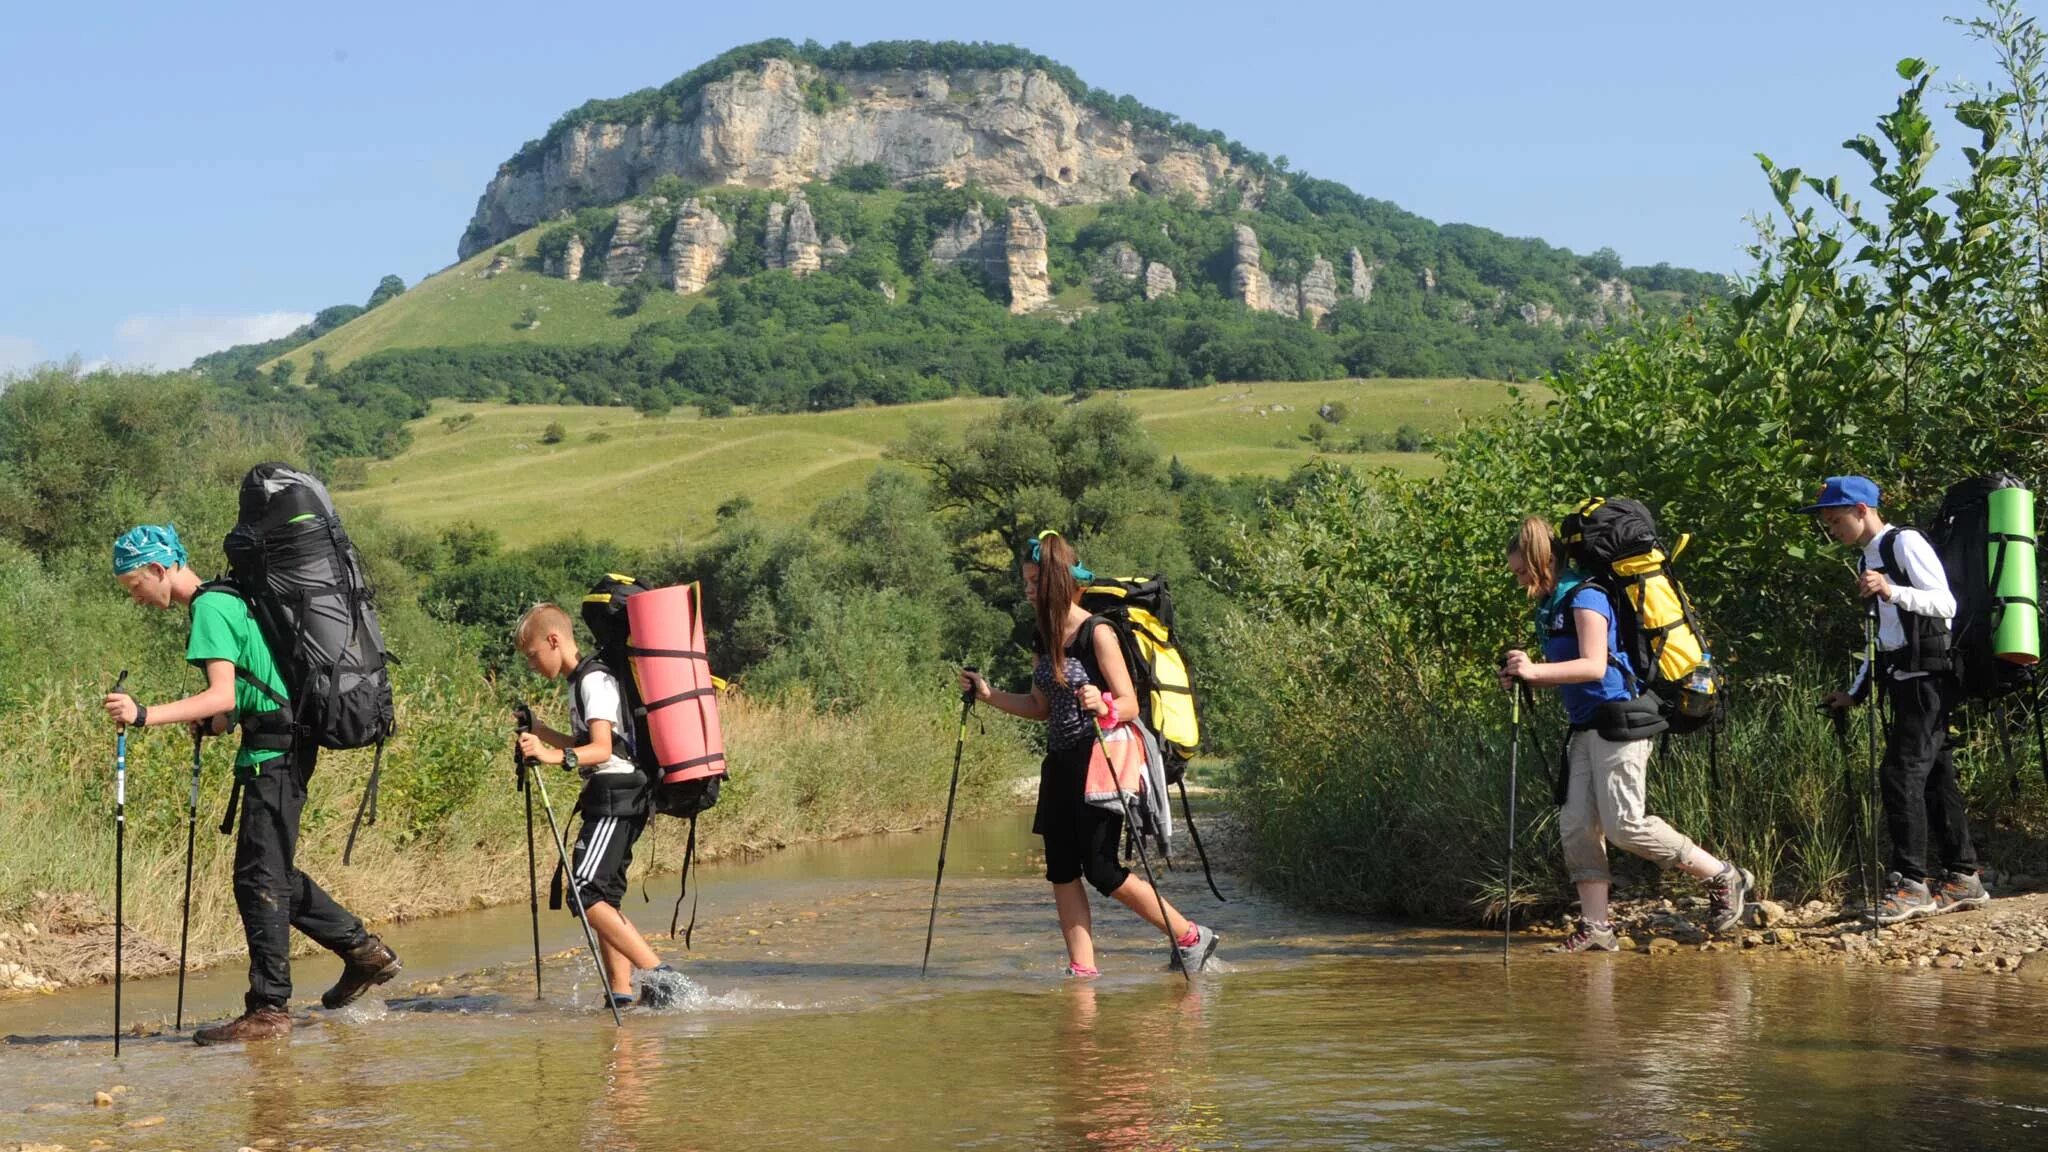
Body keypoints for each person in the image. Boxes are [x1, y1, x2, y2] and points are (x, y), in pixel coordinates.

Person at [103, 524, 400, 1045]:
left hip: (275, 756)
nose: (137, 599)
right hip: (281, 747)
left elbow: (219, 694)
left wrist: (144, 713)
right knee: (271, 873)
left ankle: (269, 1009)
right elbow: (245, 692)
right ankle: (363, 953)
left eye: (134, 587)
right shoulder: (230, 598)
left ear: (157, 568)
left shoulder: (210, 609)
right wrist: (217, 724)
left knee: (259, 879)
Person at [959, 531, 1218, 977]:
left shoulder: (1097, 633)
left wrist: (1105, 704)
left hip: (1101, 762)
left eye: (1035, 580)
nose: (1027, 588)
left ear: (1058, 581)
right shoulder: (1042, 638)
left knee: (1101, 870)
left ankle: (1192, 936)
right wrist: (987, 695)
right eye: (1025, 580)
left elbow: (1130, 703)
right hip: (1059, 764)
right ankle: (1083, 971)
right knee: (1061, 870)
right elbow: (1040, 707)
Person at [1500, 517, 1752, 952]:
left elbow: (1595, 665)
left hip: (1622, 721)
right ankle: (1596, 928)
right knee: (1577, 825)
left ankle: (1722, 875)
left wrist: (1537, 670)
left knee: (1625, 825)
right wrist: (1524, 676)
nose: (1519, 580)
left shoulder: (1586, 596)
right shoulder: (1554, 603)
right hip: (1584, 726)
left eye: (1521, 571)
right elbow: (1569, 673)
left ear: (1542, 560)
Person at [1806, 475, 1987, 923]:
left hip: (1928, 678)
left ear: (1862, 510)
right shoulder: (1871, 555)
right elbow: (1883, 636)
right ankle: (1963, 878)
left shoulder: (1903, 543)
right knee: (1934, 775)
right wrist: (1855, 691)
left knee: (1900, 771)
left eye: (1835, 520)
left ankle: (1911, 884)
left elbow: (1946, 605)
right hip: (1904, 677)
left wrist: (1891, 590)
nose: (1833, 530)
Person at [513, 603, 679, 1010]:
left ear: (554, 641)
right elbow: (588, 744)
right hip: (613, 794)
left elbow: (602, 750)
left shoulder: (594, 679)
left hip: (616, 795)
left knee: (585, 891)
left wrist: (549, 757)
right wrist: (541, 733)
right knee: (604, 896)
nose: (532, 665)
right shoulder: (579, 682)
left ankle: (660, 977)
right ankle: (620, 996)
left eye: (533, 655)